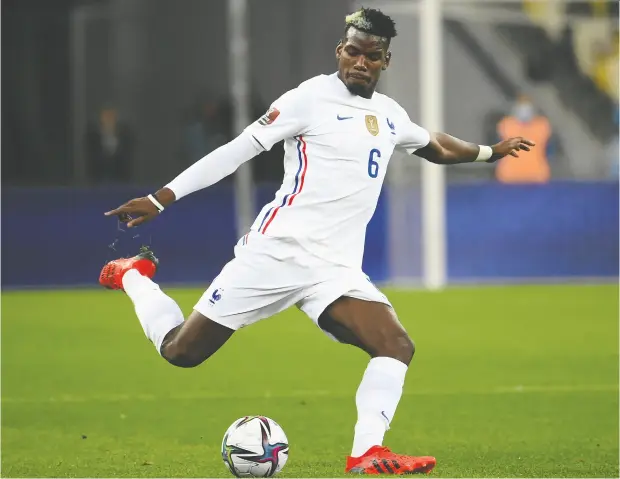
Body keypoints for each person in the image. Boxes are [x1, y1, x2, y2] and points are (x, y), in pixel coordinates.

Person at [100, 8, 534, 475]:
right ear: (339, 51)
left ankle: (367, 453)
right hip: (276, 254)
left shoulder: (388, 115)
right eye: (352, 51)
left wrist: (490, 152)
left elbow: (436, 145)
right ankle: (134, 276)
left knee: (395, 344)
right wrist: (160, 199)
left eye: (372, 55)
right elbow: (237, 150)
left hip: (334, 269)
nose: (360, 62)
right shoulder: (308, 99)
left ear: (384, 61)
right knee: (181, 352)